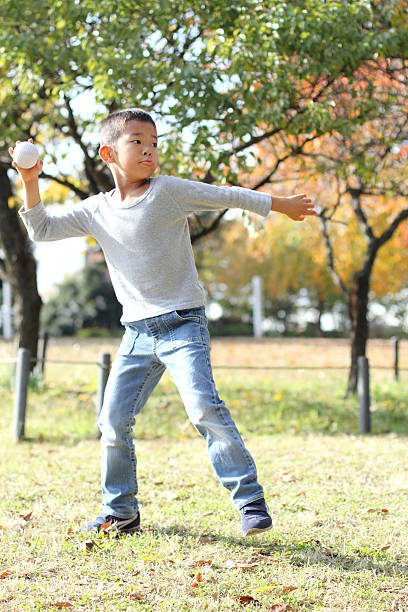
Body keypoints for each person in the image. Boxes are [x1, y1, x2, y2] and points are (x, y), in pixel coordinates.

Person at [11, 108, 315, 537]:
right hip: (136, 333)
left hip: (182, 324)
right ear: (108, 153)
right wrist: (28, 180)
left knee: (204, 408)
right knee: (113, 420)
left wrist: (278, 204)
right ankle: (121, 510)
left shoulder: (168, 192)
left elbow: (226, 194)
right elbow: (41, 229)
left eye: (154, 142)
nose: (149, 149)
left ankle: (249, 501)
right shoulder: (96, 210)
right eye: (137, 141)